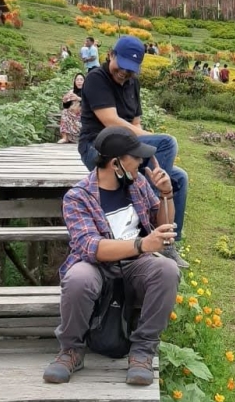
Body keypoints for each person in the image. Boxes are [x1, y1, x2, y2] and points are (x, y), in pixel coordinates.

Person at [43, 126, 180, 387]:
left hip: (135, 264)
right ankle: (71, 350)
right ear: (115, 162)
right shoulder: (78, 197)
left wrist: (166, 194)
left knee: (167, 271)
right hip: (96, 265)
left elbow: (162, 225)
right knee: (78, 278)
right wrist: (142, 244)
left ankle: (141, 352)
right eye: (135, 157)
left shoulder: (137, 183)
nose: (140, 162)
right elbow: (90, 247)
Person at [78, 35, 188, 265]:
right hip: (98, 149)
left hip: (126, 150)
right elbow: (111, 121)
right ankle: (146, 225)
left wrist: (149, 147)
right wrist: (155, 142)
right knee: (168, 142)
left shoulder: (132, 84)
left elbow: (135, 125)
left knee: (178, 178)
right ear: (111, 55)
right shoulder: (96, 78)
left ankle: (168, 242)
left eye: (131, 70)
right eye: (122, 66)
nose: (124, 73)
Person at [58, 73, 84, 144]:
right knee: (65, 111)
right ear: (75, 81)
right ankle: (65, 137)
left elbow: (90, 104)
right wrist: (65, 101)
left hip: (82, 117)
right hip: (72, 116)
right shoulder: (72, 92)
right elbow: (66, 106)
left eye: (81, 80)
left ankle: (80, 137)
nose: (79, 81)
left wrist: (78, 98)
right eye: (77, 80)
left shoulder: (87, 91)